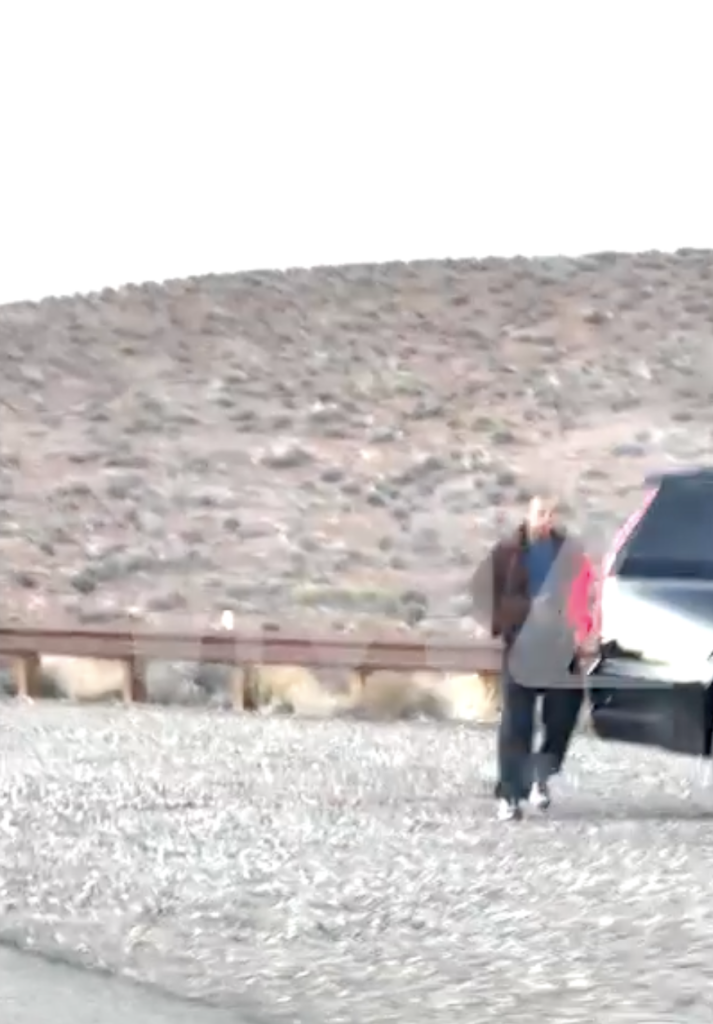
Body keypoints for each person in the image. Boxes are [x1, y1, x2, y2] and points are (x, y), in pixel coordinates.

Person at [471, 494, 594, 821]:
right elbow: (490, 595)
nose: (546, 520)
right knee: (516, 723)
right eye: (541, 513)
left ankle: (541, 775)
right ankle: (510, 795)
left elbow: (583, 594)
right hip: (522, 648)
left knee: (563, 714)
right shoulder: (507, 552)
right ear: (529, 514)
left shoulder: (569, 553)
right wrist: (513, 619)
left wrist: (582, 630)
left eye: (552, 514)